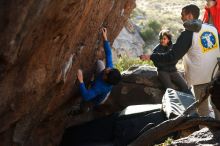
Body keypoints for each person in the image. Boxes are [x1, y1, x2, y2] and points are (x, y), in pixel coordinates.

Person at [141, 4, 220, 119]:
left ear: (189, 15)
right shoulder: (212, 29)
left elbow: (173, 56)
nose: (181, 17)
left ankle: (207, 133)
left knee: (203, 112)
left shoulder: (188, 33)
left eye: (182, 14)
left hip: (200, 78)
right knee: (217, 106)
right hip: (216, 76)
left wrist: (152, 56)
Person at [76, 28, 122, 110]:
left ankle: (81, 110)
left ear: (105, 78)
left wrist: (81, 80)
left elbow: (86, 96)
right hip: (101, 84)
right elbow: (108, 54)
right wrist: (105, 38)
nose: (107, 69)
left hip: (97, 98)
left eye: (107, 72)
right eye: (109, 69)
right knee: (100, 63)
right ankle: (91, 83)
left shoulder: (100, 87)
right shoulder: (109, 70)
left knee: (85, 104)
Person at [140, 30, 191, 94]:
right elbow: (157, 63)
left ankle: (189, 102)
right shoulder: (156, 49)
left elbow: (175, 59)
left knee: (185, 86)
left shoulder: (173, 47)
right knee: (170, 89)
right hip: (163, 72)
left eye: (164, 39)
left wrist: (166, 60)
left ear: (168, 39)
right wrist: (168, 60)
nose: (162, 40)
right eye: (161, 39)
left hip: (173, 70)